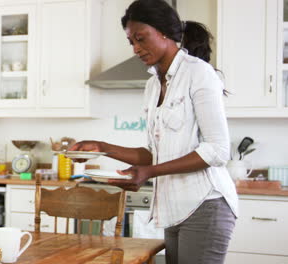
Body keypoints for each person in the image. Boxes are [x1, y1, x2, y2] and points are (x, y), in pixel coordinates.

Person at [70, 1, 238, 263]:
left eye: (141, 38)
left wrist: (149, 173)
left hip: (206, 204)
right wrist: (102, 147)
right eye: (131, 42)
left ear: (164, 33)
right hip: (174, 209)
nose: (136, 48)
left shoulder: (198, 73)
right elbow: (152, 154)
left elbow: (217, 151)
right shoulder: (152, 86)